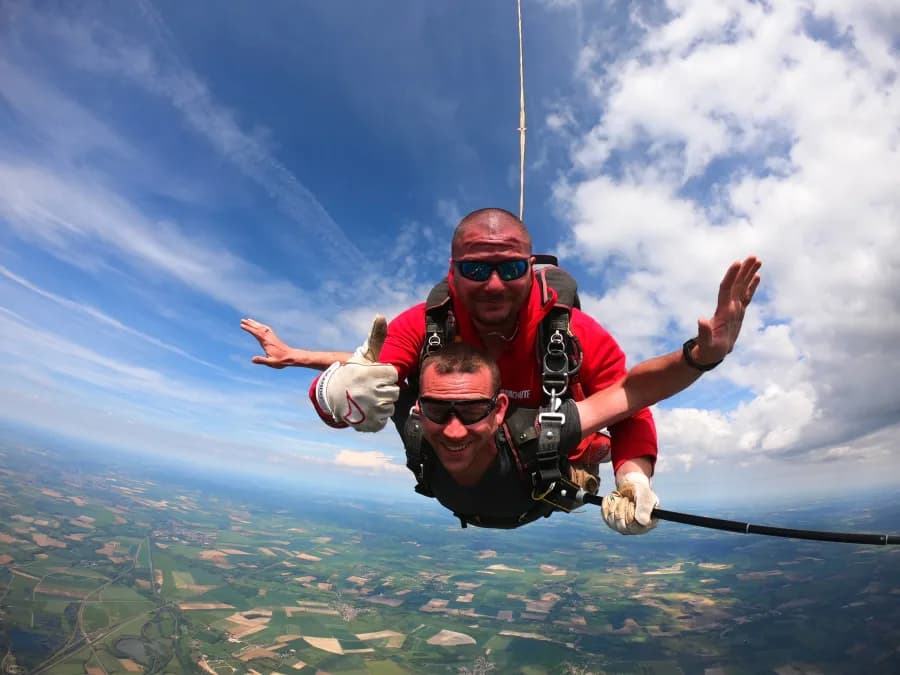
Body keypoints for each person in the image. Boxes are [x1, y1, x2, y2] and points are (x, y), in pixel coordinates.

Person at [241, 208, 760, 533]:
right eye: (474, 268)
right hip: (458, 479)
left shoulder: (575, 333)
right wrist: (334, 393)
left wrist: (633, 475)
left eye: (510, 268)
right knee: (399, 394)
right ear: (452, 271)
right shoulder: (424, 326)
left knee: (561, 426)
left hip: (550, 474)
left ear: (530, 267)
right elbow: (370, 377)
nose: (493, 285)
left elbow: (629, 397)